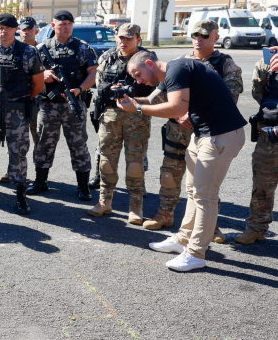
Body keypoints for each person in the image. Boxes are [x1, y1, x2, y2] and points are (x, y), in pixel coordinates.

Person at [117, 42, 246, 271]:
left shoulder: (176, 69)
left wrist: (136, 109)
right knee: (193, 192)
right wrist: (132, 101)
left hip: (221, 136)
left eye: (138, 74)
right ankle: (183, 239)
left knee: (206, 196)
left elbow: (176, 109)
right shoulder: (175, 70)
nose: (138, 80)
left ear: (149, 63)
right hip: (205, 135)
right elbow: (155, 101)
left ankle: (196, 254)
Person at [143, 25, 242, 237]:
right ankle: (165, 214)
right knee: (170, 173)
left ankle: (209, 226)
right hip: (178, 130)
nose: (198, 39)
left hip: (208, 132)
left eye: (204, 35)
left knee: (206, 182)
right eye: (195, 35)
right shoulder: (180, 62)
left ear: (216, 37)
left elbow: (229, 99)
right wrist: (178, 113)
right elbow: (159, 97)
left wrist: (188, 110)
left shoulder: (225, 64)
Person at [0, 13, 44, 214]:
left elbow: (38, 85)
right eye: (0, 28)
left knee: (18, 153)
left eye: (8, 28)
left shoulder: (28, 52)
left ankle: (20, 195)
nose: (3, 31)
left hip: (17, 112)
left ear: (15, 30)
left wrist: (18, 100)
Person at [87, 24, 156, 223]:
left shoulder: (147, 59)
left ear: (138, 38)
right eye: (120, 38)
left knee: (135, 163)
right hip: (110, 117)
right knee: (106, 162)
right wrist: (112, 88)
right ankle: (104, 202)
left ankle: (136, 207)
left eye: (128, 38)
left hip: (137, 118)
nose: (123, 42)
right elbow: (99, 84)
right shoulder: (107, 57)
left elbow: (156, 87)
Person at [28, 10, 97, 201]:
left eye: (68, 24)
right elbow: (30, 73)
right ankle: (40, 182)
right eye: (61, 24)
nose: (65, 27)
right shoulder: (42, 48)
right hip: (48, 105)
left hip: (73, 104)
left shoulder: (82, 48)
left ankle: (83, 187)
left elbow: (93, 72)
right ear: (53, 26)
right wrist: (43, 75)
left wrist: (80, 89)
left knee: (78, 145)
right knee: (44, 144)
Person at [238, 46, 278, 245]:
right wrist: (268, 70)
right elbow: (258, 94)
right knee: (261, 186)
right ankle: (256, 228)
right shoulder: (267, 62)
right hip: (269, 136)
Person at [18, 16, 41, 169]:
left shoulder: (44, 50)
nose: (26, 32)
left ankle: (39, 174)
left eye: (29, 29)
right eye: (23, 30)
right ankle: (15, 170)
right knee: (17, 138)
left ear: (36, 31)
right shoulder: (15, 50)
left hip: (40, 102)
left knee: (39, 139)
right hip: (19, 101)